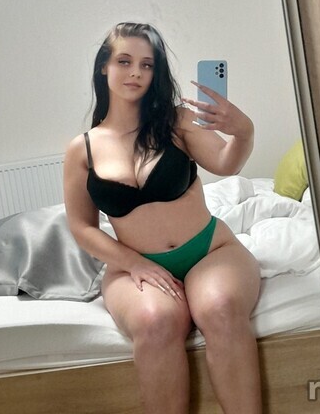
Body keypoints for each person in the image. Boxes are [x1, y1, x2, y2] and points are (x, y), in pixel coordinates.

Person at [64, 22, 261, 414]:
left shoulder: (177, 120)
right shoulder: (81, 149)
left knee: (220, 307)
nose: (136, 72)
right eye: (124, 61)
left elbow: (226, 164)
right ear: (104, 66)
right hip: (135, 267)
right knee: (156, 322)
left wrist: (244, 133)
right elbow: (82, 227)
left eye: (147, 64)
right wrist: (134, 263)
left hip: (209, 252)